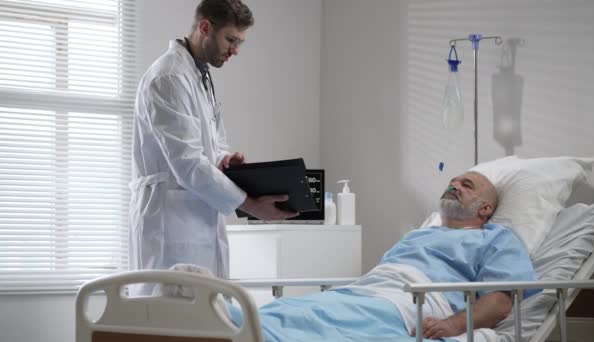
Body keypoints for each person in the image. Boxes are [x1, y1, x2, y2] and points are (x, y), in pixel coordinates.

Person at [223, 171, 541, 341]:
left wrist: (453, 325)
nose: (453, 185)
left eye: (466, 185)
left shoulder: (496, 238)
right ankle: (222, 320)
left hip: (415, 300)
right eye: (452, 181)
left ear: (485, 208)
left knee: (324, 321)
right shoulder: (420, 235)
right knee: (296, 309)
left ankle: (227, 324)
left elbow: (501, 300)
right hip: (365, 290)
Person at [129, 0, 297, 296]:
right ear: (205, 27)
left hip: (196, 215)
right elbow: (187, 163)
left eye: (239, 43)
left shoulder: (199, 76)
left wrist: (224, 159)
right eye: (231, 40)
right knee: (170, 317)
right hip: (169, 220)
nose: (235, 50)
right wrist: (250, 204)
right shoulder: (169, 77)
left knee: (204, 315)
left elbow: (209, 146)